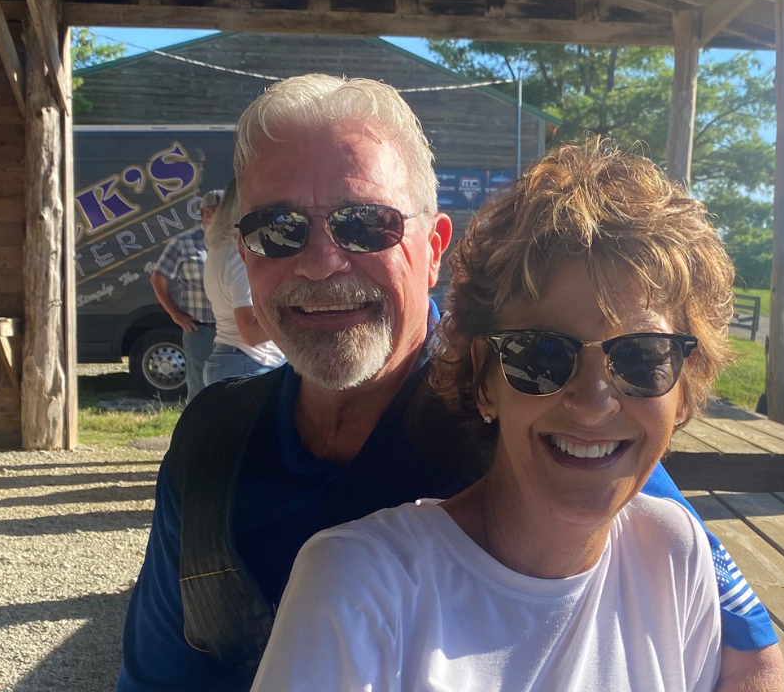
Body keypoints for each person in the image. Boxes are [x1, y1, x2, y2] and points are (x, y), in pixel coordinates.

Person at [116, 75, 784, 692]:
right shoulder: (213, 442)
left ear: (435, 247)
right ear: (244, 259)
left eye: (364, 223)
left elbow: (745, 655)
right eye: (278, 230)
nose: (321, 263)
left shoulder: (543, 416)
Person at [253, 139, 733, 691]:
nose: (594, 399)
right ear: (484, 378)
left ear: (684, 387)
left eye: (643, 356)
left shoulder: (674, 552)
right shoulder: (359, 587)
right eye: (543, 355)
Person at [201, 180, 285, 386]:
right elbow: (250, 333)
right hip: (249, 363)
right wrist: (295, 321)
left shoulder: (219, 249)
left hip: (235, 359)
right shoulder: (239, 256)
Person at [149, 191, 219, 401]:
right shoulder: (183, 242)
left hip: (235, 329)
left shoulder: (235, 241)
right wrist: (175, 314)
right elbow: (158, 277)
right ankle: (197, 432)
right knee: (200, 389)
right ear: (206, 213)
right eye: (223, 213)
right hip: (201, 329)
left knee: (233, 388)